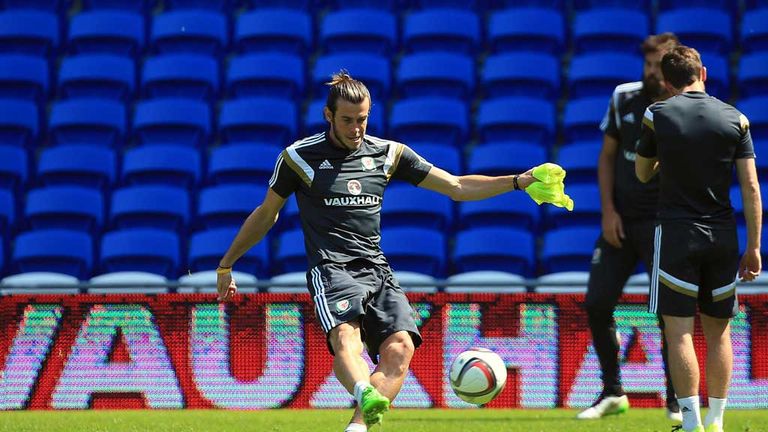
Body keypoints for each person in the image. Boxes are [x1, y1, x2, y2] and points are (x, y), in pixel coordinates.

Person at [214, 71, 570, 432]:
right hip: (331, 268)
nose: (356, 128)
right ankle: (363, 390)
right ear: (328, 115)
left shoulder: (389, 153)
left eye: (363, 119)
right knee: (346, 338)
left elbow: (457, 186)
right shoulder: (298, 158)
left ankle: (357, 426)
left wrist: (517, 182)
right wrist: (227, 265)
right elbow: (266, 214)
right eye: (347, 120)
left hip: (377, 269)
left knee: (401, 348)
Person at [636, 45, 762, 432]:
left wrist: (666, 157)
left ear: (666, 81)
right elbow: (751, 187)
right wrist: (754, 246)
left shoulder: (657, 114)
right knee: (719, 331)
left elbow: (643, 173)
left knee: (678, 332)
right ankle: (718, 420)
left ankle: (691, 424)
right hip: (723, 234)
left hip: (676, 233)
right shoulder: (736, 119)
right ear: (703, 73)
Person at [577, 33, 683, 421]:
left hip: (665, 225)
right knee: (597, 302)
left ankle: (676, 399)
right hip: (621, 222)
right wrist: (607, 210)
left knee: (670, 313)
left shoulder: (686, 106)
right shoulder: (624, 97)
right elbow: (606, 157)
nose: (653, 72)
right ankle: (612, 392)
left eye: (660, 65)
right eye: (649, 64)